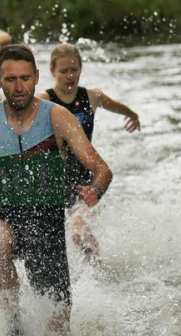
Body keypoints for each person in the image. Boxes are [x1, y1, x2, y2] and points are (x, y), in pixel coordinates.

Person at [0, 44, 113, 334]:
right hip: (4, 212)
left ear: (37, 77)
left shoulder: (58, 117)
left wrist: (95, 190)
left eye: (25, 78)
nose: (19, 86)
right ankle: (13, 322)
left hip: (46, 224)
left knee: (58, 326)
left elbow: (102, 169)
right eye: (11, 79)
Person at [36, 43, 140, 261]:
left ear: (81, 69)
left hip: (84, 180)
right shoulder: (44, 100)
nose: (69, 75)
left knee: (78, 230)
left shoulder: (91, 97)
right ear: (52, 71)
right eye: (63, 71)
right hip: (51, 181)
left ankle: (96, 270)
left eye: (74, 70)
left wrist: (133, 115)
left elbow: (117, 106)